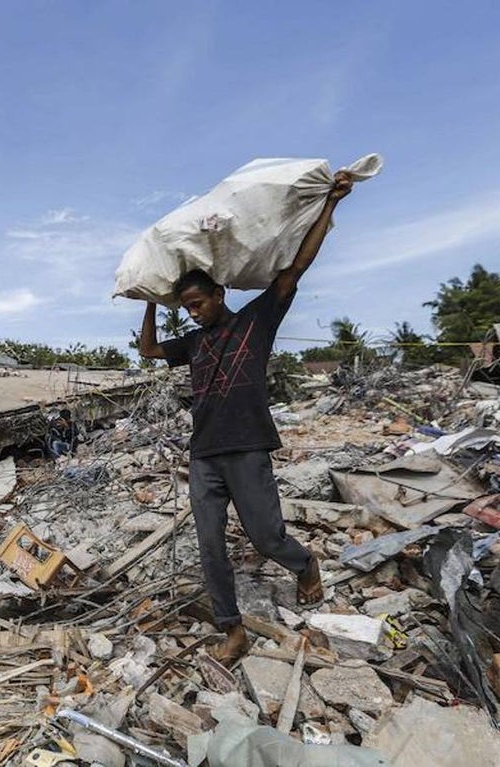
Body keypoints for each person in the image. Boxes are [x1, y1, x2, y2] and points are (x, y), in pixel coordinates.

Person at [138, 172, 354, 664]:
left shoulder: (256, 321)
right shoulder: (192, 343)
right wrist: (151, 297)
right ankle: (231, 629)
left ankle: (305, 565)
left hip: (248, 446)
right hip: (204, 456)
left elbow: (295, 268)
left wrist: (330, 205)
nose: (192, 314)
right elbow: (149, 349)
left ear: (219, 294)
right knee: (210, 545)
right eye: (186, 307)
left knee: (266, 536)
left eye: (198, 304)